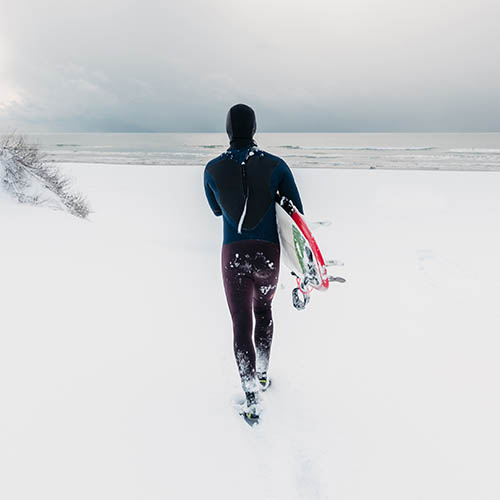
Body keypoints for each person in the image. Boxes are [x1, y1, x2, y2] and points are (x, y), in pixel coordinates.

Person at [204, 104, 303, 421]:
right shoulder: (276, 166)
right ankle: (262, 374)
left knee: (241, 323)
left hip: (233, 254)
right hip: (267, 256)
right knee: (264, 311)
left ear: (228, 131)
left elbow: (217, 210)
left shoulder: (212, 169)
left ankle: (251, 398)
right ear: (255, 128)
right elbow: (295, 213)